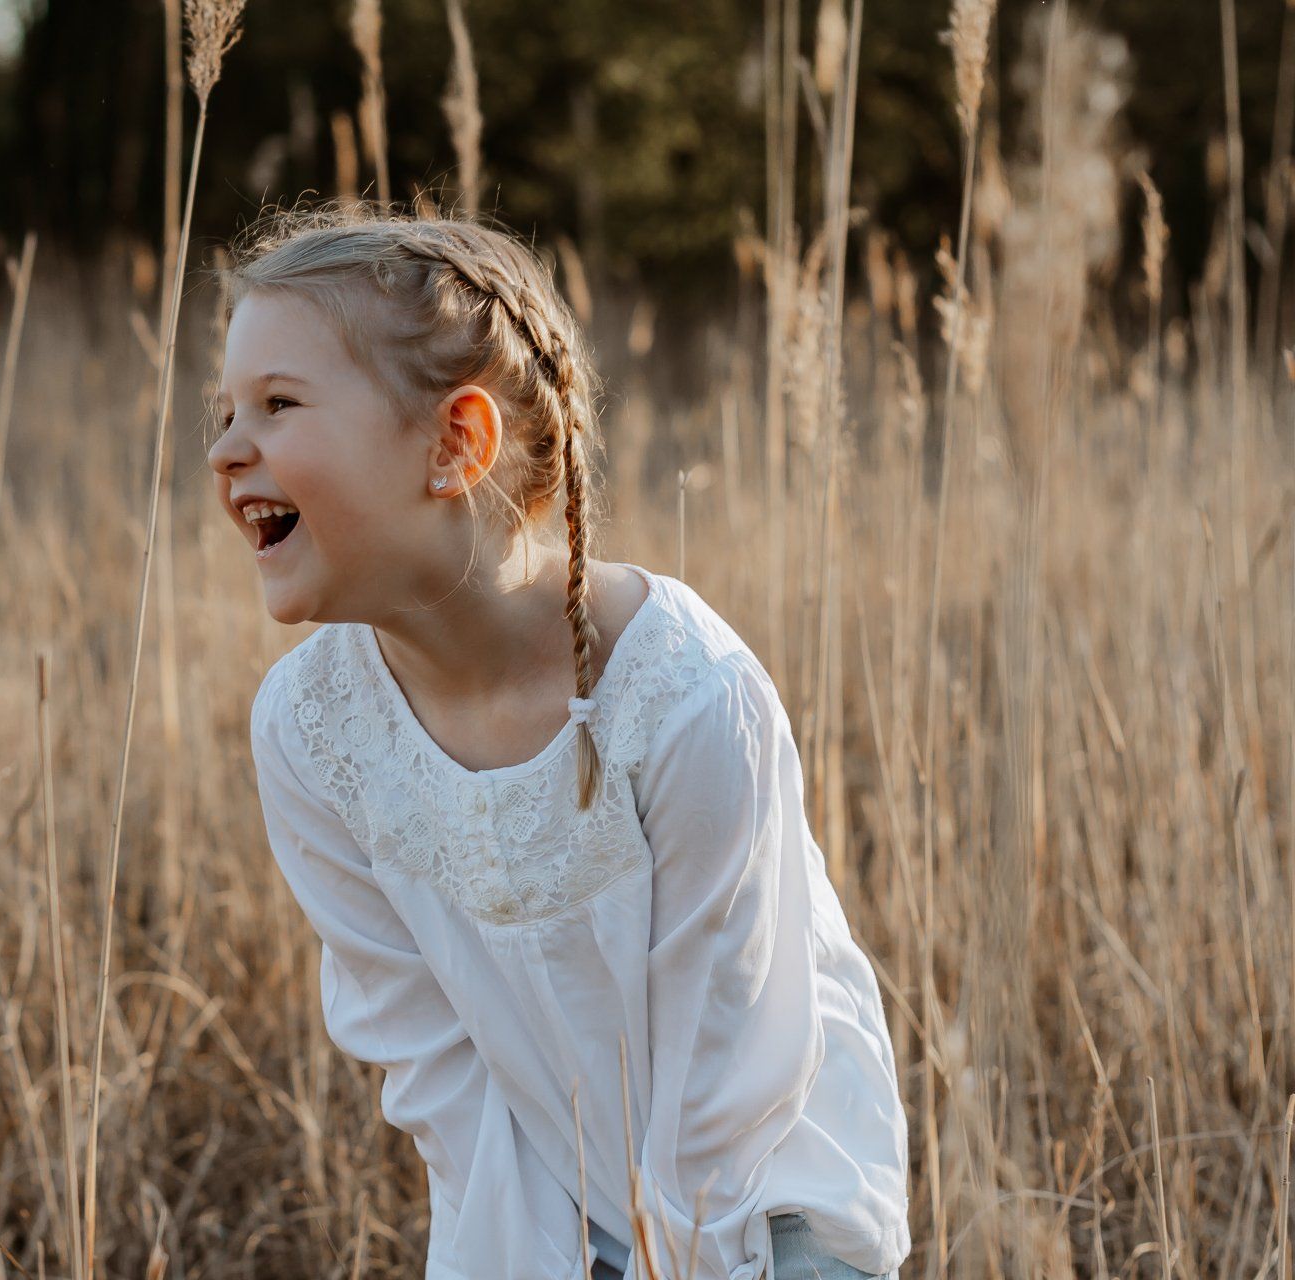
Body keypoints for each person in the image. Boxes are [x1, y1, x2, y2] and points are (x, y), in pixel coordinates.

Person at [208, 200, 910, 1280]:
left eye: (278, 403)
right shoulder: (310, 733)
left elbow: (728, 1092)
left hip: (768, 1201)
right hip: (559, 1198)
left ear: (457, 443)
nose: (225, 450)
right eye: (224, 412)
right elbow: (434, 1067)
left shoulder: (684, 699)